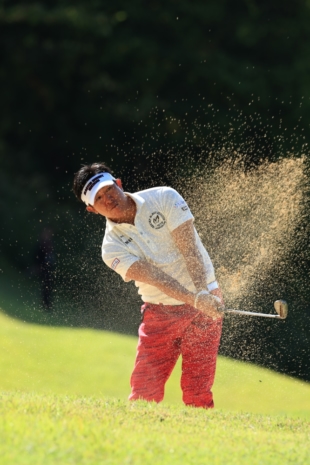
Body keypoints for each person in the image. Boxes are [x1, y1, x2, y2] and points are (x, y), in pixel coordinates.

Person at [73, 162, 224, 409]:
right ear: (91, 209)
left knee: (198, 390)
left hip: (206, 299)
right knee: (144, 392)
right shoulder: (111, 249)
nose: (108, 199)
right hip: (160, 313)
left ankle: (201, 444)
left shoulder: (164, 197)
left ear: (118, 183)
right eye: (98, 198)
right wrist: (195, 299)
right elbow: (156, 278)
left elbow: (190, 249)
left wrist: (204, 294)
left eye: (109, 190)